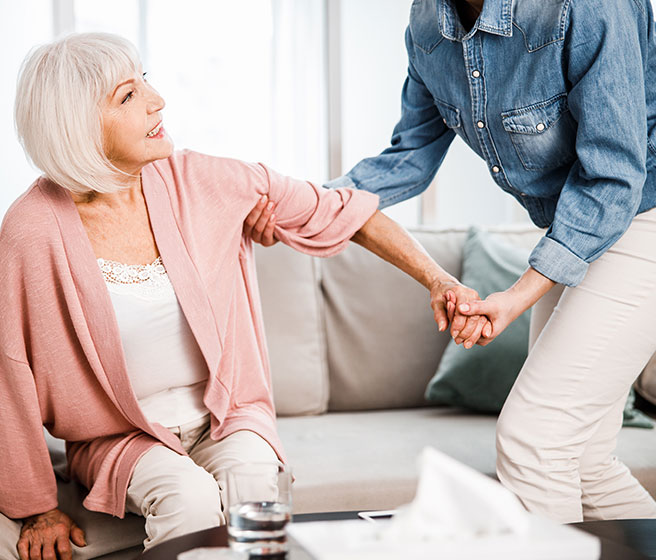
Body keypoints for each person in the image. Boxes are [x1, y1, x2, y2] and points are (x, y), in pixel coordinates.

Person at [0, 32, 480, 559]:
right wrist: (36, 506)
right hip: (120, 437)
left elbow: (339, 209)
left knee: (256, 487)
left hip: (226, 413)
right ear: (76, 125)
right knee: (189, 498)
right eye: (127, 96)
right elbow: (9, 370)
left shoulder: (200, 180)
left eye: (146, 81)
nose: (157, 101)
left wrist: (441, 281)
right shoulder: (31, 230)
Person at [250, 0, 656, 524]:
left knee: (536, 442)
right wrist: (301, 207)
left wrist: (515, 295)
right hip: (573, 225)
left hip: (644, 217)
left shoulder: (588, 7)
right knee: (582, 462)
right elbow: (410, 155)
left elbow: (615, 174)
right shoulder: (428, 23)